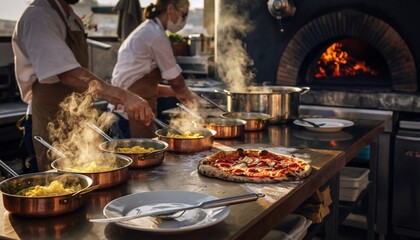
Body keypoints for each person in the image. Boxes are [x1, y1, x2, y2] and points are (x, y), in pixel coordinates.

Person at [12, 0, 154, 171]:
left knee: (90, 179)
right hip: (48, 122)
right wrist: (124, 96)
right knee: (59, 189)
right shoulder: (39, 16)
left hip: (79, 122)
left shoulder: (71, 18)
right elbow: (70, 75)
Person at [111, 0, 202, 138]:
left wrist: (175, 93)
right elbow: (176, 82)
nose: (183, 21)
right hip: (129, 116)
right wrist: (191, 98)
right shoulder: (155, 35)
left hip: (129, 113)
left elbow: (145, 85)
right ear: (170, 8)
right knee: (144, 156)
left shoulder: (149, 29)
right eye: (183, 15)